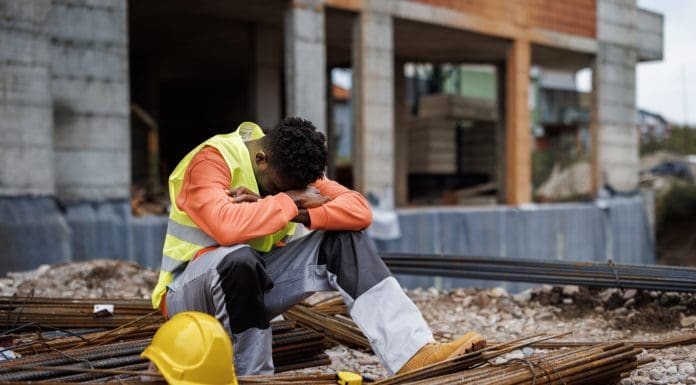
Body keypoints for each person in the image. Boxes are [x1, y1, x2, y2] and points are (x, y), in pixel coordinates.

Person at [151, 117, 486, 376]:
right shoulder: (212, 161)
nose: (290, 192)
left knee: (343, 238)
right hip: (188, 297)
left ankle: (414, 353)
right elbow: (226, 227)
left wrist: (298, 211)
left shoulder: (294, 167)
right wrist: (288, 199)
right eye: (281, 188)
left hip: (254, 287)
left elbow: (359, 210)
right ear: (263, 159)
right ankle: (256, 378)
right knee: (238, 259)